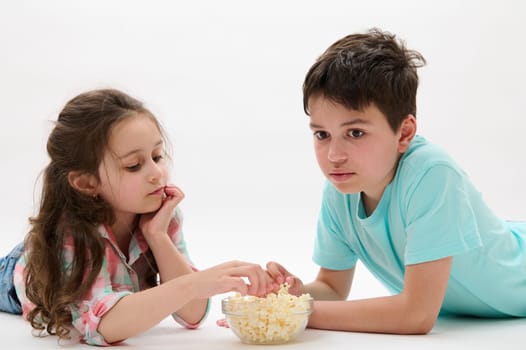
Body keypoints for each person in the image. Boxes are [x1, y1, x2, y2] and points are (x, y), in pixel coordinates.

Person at [266, 28, 526, 334]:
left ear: (404, 133)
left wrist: (296, 313)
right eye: (322, 134)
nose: (334, 155)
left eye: (355, 133)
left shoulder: (432, 173)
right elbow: (332, 288)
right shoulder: (341, 188)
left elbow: (416, 315)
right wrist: (291, 296)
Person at [0, 88, 274, 346]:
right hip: (20, 273)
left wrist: (157, 236)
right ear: (86, 183)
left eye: (157, 155)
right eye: (134, 166)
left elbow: (192, 314)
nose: (156, 173)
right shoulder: (70, 232)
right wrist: (193, 284)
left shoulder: (161, 214)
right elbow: (102, 325)